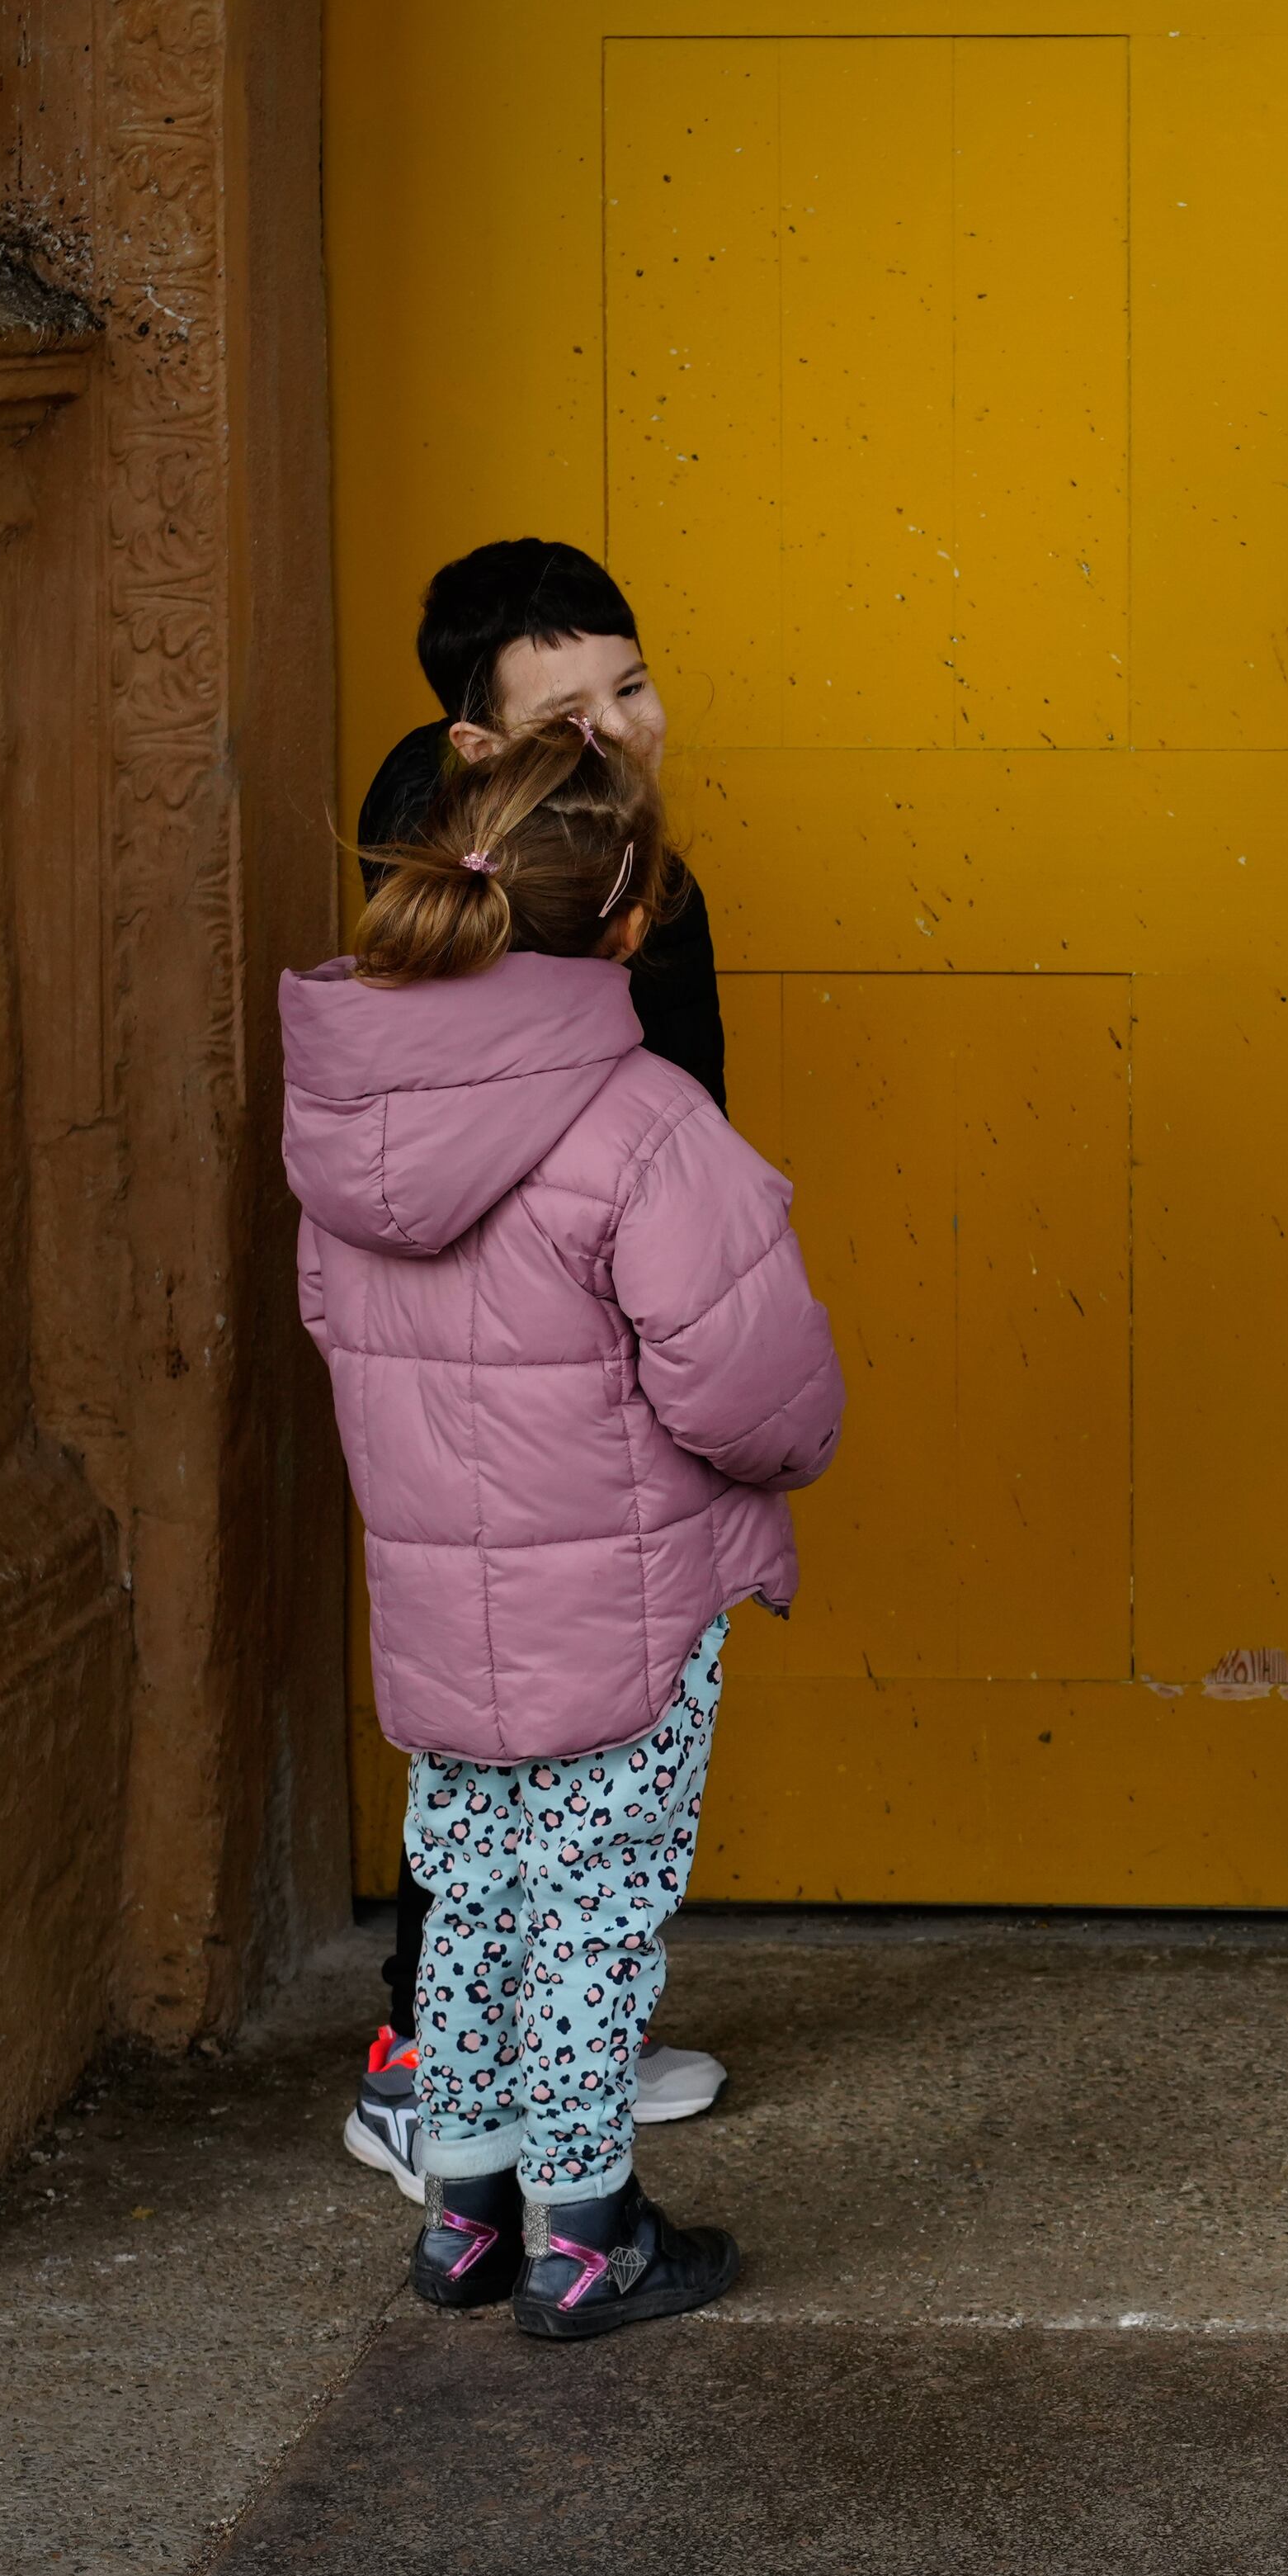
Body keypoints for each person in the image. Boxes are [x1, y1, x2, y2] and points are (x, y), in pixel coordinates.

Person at [285, 721, 844, 2339]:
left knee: (465, 1886)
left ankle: (465, 2203)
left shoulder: (352, 1118)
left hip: (437, 1586)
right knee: (595, 1901)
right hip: (625, 1602)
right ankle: (586, 2225)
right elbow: (755, 1384)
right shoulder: (646, 1123)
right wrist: (786, 1458)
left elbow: (337, 1322)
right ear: (625, 920)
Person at [340, 541, 734, 2198]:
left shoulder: (646, 874)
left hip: (515, 1388)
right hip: (529, 1394)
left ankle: (522, 2051)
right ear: (479, 746)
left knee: (521, 1742)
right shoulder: (449, 887)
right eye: (569, 709)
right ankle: (439, 2068)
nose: (622, 726)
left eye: (631, 683)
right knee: (530, 1745)